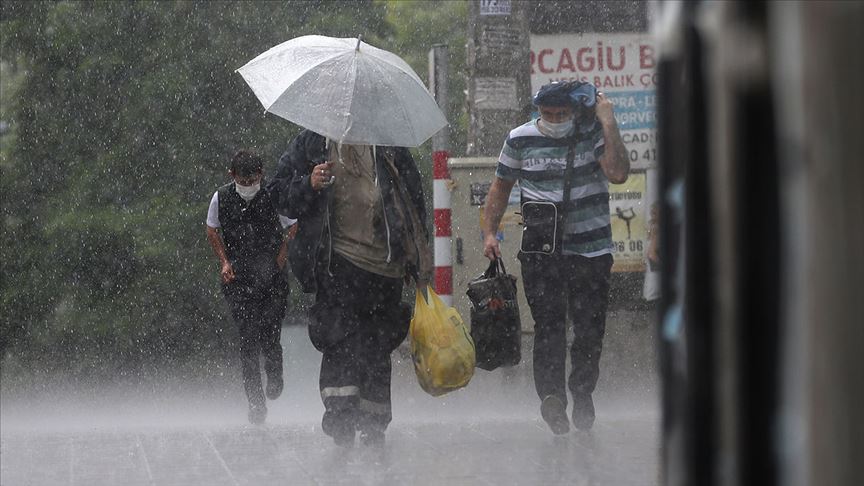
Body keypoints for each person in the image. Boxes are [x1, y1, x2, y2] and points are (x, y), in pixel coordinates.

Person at [481, 81, 629, 434]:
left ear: (575, 112)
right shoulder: (520, 138)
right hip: (541, 253)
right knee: (549, 326)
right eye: (547, 114)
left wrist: (608, 122)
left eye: (561, 114)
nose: (553, 120)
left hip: (591, 251)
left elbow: (618, 173)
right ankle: (552, 398)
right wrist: (489, 232)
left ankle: (582, 390)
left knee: (589, 329)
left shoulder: (592, 133)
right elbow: (500, 188)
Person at [268, 129, 432, 447]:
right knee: (339, 339)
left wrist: (415, 259)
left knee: (376, 345)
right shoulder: (313, 143)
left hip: (385, 266)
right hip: (335, 261)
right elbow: (278, 195)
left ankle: (374, 422)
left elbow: (413, 202)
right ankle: (340, 417)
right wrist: (309, 184)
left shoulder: (389, 144)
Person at [206, 150, 296, 425]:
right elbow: (212, 229)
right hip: (239, 279)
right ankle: (256, 403)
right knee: (247, 340)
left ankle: (275, 371)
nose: (248, 187)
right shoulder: (221, 197)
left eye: (253, 181)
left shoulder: (272, 196)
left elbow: (293, 226)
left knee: (270, 332)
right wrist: (224, 261)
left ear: (261, 176)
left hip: (271, 277)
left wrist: (282, 253)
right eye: (243, 182)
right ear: (232, 176)